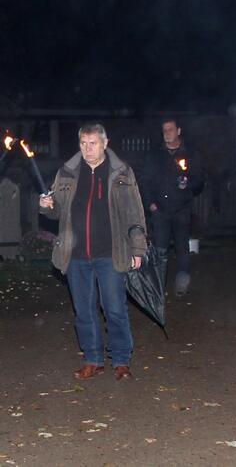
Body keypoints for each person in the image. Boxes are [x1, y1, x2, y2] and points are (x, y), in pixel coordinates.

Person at [39, 123, 147, 380]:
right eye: (83, 144)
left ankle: (121, 360)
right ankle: (93, 359)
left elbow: (135, 211)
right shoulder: (67, 172)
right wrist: (47, 206)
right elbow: (57, 212)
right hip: (76, 254)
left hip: (110, 252)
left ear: (105, 143)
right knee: (84, 311)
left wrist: (138, 247)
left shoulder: (121, 172)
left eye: (93, 144)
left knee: (115, 309)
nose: (87, 150)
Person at [141, 118, 204, 296]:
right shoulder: (155, 155)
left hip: (182, 209)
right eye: (164, 130)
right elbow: (145, 180)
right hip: (160, 210)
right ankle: (158, 285)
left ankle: (182, 283)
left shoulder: (190, 154)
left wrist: (188, 183)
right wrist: (150, 203)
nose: (167, 133)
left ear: (178, 131)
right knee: (159, 249)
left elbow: (199, 179)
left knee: (182, 247)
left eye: (170, 129)